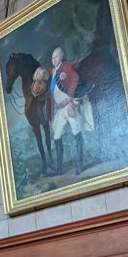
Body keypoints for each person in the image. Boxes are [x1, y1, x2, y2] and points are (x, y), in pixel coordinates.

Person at [48, 46, 94, 174]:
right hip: (60, 109)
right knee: (57, 136)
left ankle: (80, 165)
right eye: (52, 58)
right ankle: (59, 168)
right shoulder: (54, 72)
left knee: (76, 132)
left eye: (56, 57)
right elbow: (53, 92)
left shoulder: (65, 67)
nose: (53, 60)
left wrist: (70, 98)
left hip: (69, 104)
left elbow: (75, 78)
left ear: (61, 57)